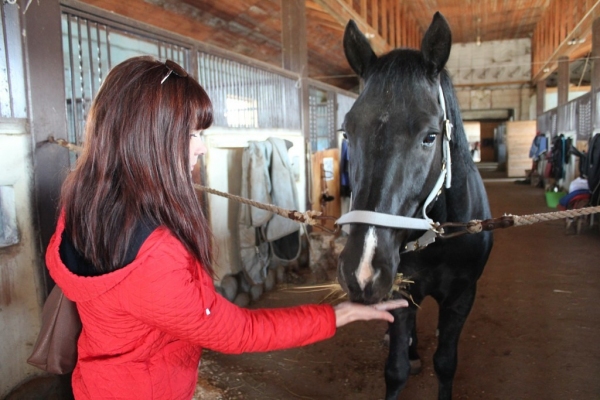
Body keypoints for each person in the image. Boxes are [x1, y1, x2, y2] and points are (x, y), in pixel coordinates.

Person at [45, 56, 408, 399]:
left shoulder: (83, 204)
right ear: (148, 138)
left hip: (97, 382)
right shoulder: (155, 255)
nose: (201, 148)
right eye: (191, 134)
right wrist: (337, 314)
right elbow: (239, 332)